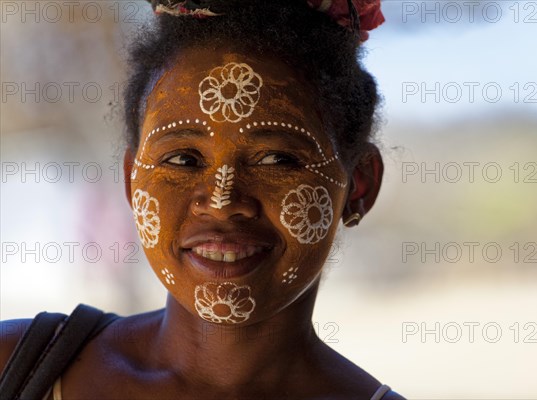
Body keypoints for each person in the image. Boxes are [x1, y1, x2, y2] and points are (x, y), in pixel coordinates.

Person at [0, 0, 405, 398]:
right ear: (131, 180)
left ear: (358, 186)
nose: (222, 200)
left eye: (277, 159)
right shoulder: (17, 367)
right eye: (182, 159)